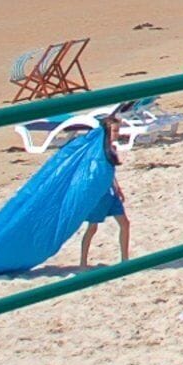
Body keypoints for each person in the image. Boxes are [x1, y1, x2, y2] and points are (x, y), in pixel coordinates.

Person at [65, 113, 131, 268]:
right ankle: (83, 263)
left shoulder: (112, 148)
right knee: (92, 228)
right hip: (99, 196)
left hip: (111, 194)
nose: (117, 134)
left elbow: (109, 172)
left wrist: (117, 187)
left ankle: (125, 260)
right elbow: (94, 173)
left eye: (118, 130)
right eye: (115, 131)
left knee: (125, 224)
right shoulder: (98, 150)